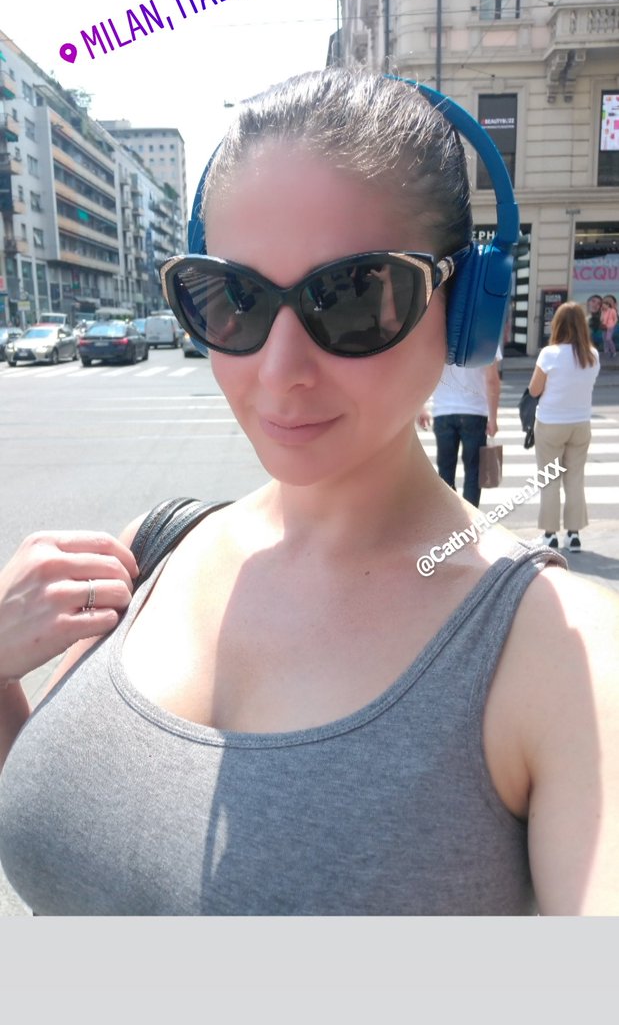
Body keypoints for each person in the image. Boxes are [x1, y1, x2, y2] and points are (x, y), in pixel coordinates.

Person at [1, 68, 619, 917]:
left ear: (466, 308)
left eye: (355, 296)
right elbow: (68, 842)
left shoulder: (559, 651)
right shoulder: (153, 549)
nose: (279, 371)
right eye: (232, 300)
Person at [528, 301, 601, 553]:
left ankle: (550, 536)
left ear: (557, 324)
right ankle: (574, 534)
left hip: (550, 423)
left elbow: (534, 390)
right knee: (575, 479)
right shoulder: (592, 355)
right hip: (580, 423)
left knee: (550, 480)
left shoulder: (549, 354)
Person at [417, 356, 501, 507]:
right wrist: (493, 418)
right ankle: (471, 517)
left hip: (443, 411)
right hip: (474, 412)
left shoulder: (439, 340)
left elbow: (424, 372)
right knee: (473, 471)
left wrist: (421, 407)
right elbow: (492, 380)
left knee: (445, 471)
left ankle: (449, 515)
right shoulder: (488, 340)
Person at [601, 294, 618, 358]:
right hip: (604, 327)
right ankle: (606, 352)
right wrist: (602, 313)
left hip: (610, 327)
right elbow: (601, 319)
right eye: (602, 305)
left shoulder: (612, 310)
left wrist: (613, 325)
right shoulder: (603, 311)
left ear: (607, 305)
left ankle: (613, 351)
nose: (603, 306)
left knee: (608, 339)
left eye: (604, 305)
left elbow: (615, 319)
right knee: (604, 340)